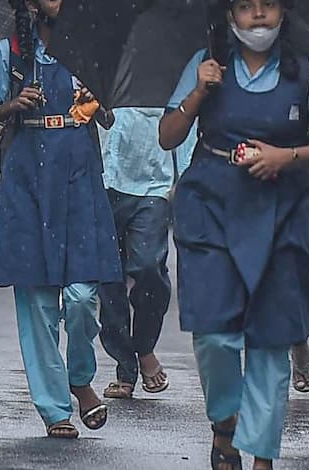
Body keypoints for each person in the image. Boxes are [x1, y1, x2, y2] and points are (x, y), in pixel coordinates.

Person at [159, 0, 309, 470]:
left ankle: (262, 453)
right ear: (230, 14)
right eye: (246, 5)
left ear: (283, 11)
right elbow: (168, 136)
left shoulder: (305, 71)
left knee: (270, 337)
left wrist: (286, 157)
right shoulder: (206, 64)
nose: (257, 15)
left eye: (267, 4)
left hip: (282, 210)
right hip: (211, 206)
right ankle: (226, 424)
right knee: (216, 334)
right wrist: (198, 93)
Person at [0, 0, 123, 438]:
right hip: (27, 178)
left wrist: (97, 101)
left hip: (79, 173)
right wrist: (11, 106)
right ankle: (55, 408)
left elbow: (110, 119)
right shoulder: (10, 52)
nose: (63, 4)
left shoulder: (88, 47)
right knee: (37, 302)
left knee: (83, 296)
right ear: (31, 4)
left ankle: (80, 376)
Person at [98, 107, 196, 399]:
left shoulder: (166, 68)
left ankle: (144, 345)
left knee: (148, 267)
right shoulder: (100, 66)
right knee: (108, 277)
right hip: (103, 178)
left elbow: (186, 117)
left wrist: (186, 175)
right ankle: (124, 366)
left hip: (154, 181)